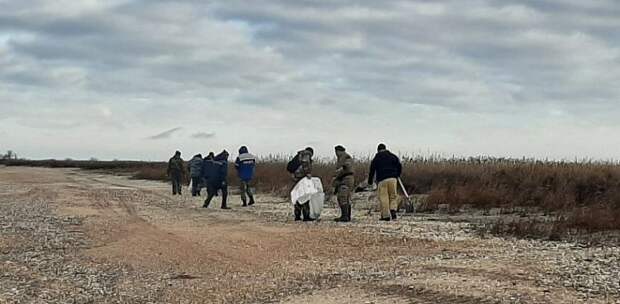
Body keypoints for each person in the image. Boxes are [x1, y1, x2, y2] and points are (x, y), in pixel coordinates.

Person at [368, 144, 402, 221]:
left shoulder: (376, 158)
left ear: (378, 150)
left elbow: (372, 170)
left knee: (384, 198)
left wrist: (370, 181)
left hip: (382, 180)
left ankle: (385, 215)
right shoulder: (393, 156)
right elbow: (399, 166)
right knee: (393, 196)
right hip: (393, 179)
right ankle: (393, 210)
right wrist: (397, 174)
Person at [286, 147, 314, 221]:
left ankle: (297, 215)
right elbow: (305, 165)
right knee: (305, 195)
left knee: (298, 196)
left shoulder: (299, 155)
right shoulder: (306, 154)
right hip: (302, 177)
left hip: (296, 177)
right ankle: (306, 216)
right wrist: (308, 173)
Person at [332, 145, 354, 222]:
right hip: (344, 179)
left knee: (343, 197)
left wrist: (340, 170)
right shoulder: (341, 158)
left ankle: (345, 216)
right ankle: (347, 216)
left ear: (339, 151)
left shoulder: (345, 157)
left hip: (346, 179)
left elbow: (347, 166)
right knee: (345, 198)